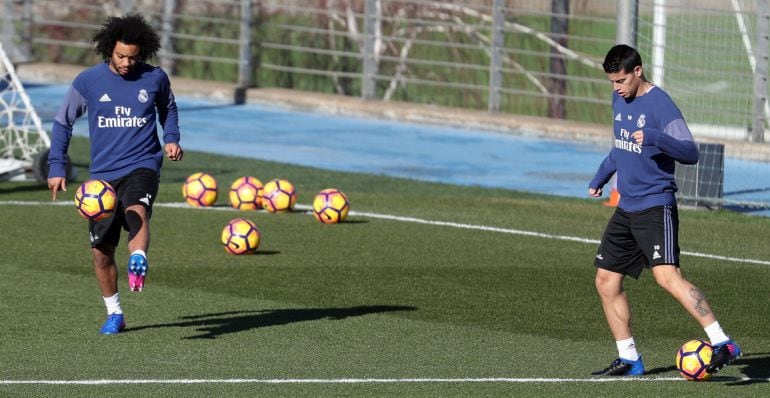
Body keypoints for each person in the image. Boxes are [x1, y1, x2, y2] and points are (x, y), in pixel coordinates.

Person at [588, 44, 740, 376]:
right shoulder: (620, 99)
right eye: (612, 82)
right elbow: (621, 147)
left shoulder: (661, 105)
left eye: (621, 80)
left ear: (638, 71)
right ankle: (629, 358)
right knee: (606, 280)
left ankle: (722, 342)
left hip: (656, 206)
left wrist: (656, 137)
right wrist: (602, 175)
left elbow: (690, 152)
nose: (617, 88)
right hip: (626, 207)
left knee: (667, 277)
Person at [47, 14, 183, 335]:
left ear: (143, 54)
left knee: (137, 207)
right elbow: (62, 121)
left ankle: (138, 256)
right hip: (102, 178)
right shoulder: (88, 82)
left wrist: (172, 138)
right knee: (100, 253)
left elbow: (169, 110)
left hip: (143, 163)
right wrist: (56, 165)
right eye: (121, 56)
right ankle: (115, 313)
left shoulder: (155, 79)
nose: (126, 63)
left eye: (133, 57)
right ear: (109, 50)